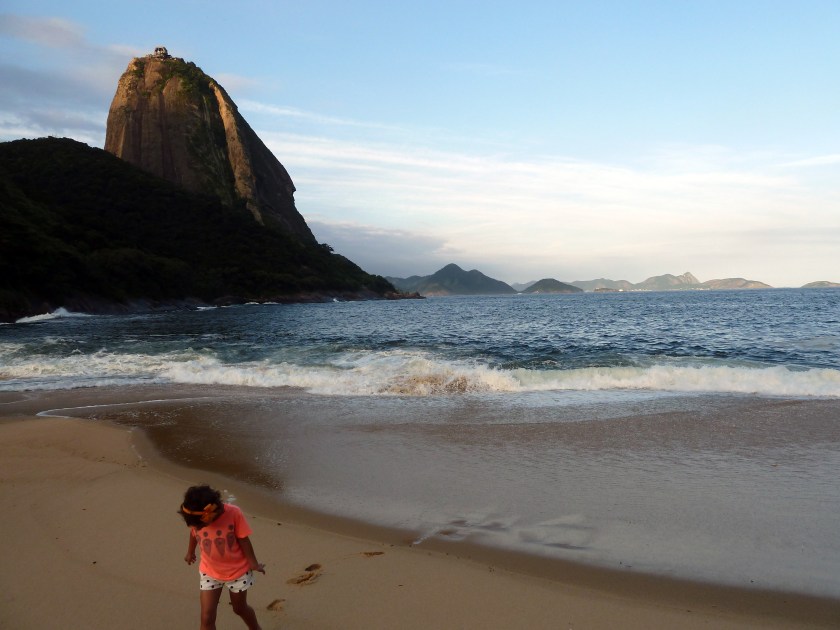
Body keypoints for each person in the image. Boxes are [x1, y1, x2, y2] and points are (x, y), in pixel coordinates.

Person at [179, 485, 266, 630]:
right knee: (206, 617)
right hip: (209, 572)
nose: (198, 529)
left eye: (200, 526)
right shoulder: (196, 520)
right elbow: (193, 532)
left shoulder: (234, 513)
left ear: (210, 515)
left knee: (239, 608)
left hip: (237, 572)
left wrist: (254, 564)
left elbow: (244, 539)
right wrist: (190, 552)